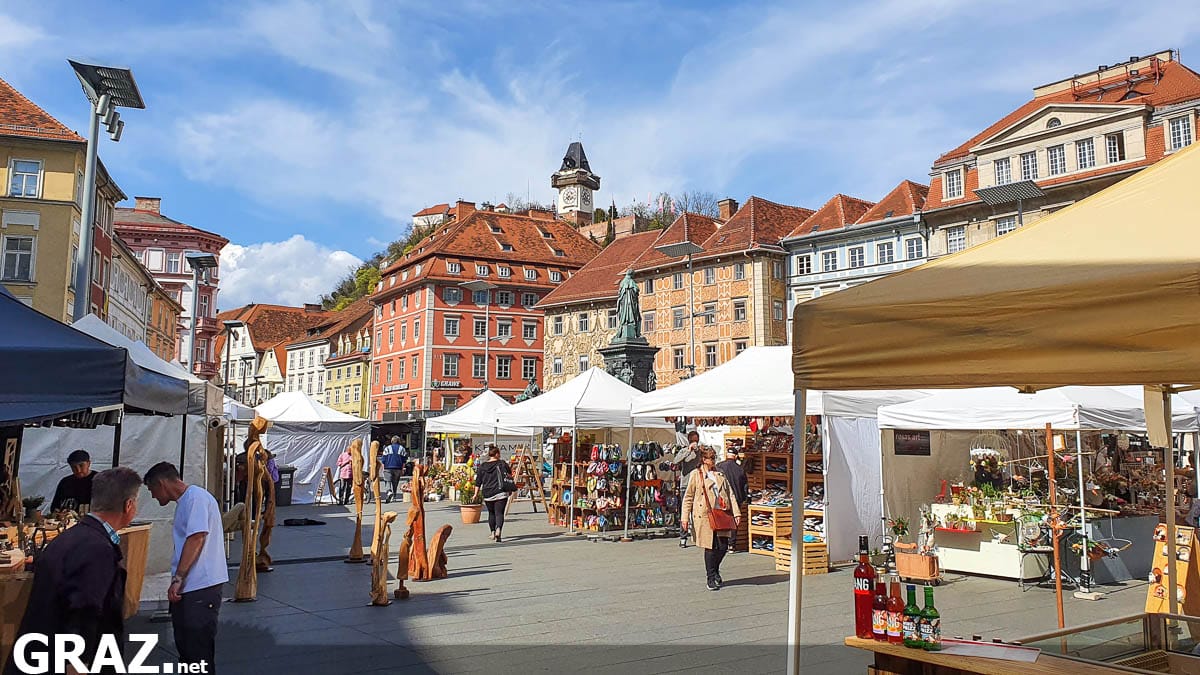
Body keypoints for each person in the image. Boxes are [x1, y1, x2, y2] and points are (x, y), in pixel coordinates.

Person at [10, 467, 141, 673]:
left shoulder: (71, 538)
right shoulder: (96, 549)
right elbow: (84, 612)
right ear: (129, 505)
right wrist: (78, 664)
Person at [144, 462, 227, 672]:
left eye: (152, 490)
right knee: (188, 649)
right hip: (193, 587)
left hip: (200, 586)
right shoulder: (187, 501)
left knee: (197, 650)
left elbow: (197, 537)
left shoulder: (195, 498)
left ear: (162, 484)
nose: (153, 497)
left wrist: (178, 577)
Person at [681, 448, 741, 591]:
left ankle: (715, 570)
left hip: (721, 513)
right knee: (710, 546)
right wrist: (685, 518)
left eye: (714, 457)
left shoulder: (720, 473)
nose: (713, 460)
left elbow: (730, 494)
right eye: (710, 458)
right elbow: (688, 497)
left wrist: (736, 513)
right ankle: (711, 577)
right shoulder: (696, 474)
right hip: (704, 515)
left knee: (723, 546)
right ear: (704, 459)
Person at [474, 446, 513, 542]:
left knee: (491, 513)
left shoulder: (482, 466)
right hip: (501, 492)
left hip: (488, 493)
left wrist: (475, 494)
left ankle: (492, 532)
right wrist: (510, 487)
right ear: (496, 454)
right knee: (499, 513)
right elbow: (509, 475)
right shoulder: (502, 464)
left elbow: (478, 481)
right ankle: (498, 529)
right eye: (499, 453)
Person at [716, 451, 749, 552]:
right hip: (737, 497)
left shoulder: (719, 466)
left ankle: (722, 543)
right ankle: (732, 545)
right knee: (734, 521)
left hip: (722, 497)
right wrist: (744, 498)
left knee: (722, 520)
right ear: (735, 456)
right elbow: (745, 486)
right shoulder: (740, 469)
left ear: (727, 455)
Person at [673, 431, 702, 548]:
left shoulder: (701, 451)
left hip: (698, 485)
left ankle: (698, 535)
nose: (694, 442)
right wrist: (688, 450)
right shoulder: (684, 450)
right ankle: (683, 537)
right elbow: (675, 461)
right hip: (685, 485)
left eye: (696, 440)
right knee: (685, 511)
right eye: (692, 440)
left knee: (698, 511)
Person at [381, 435, 408, 501]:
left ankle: (389, 491)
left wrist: (383, 468)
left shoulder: (387, 448)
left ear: (392, 441)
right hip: (398, 468)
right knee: (395, 482)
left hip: (388, 467)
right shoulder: (402, 448)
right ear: (399, 441)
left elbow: (383, 460)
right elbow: (404, 460)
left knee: (388, 481)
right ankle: (394, 496)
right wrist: (402, 469)